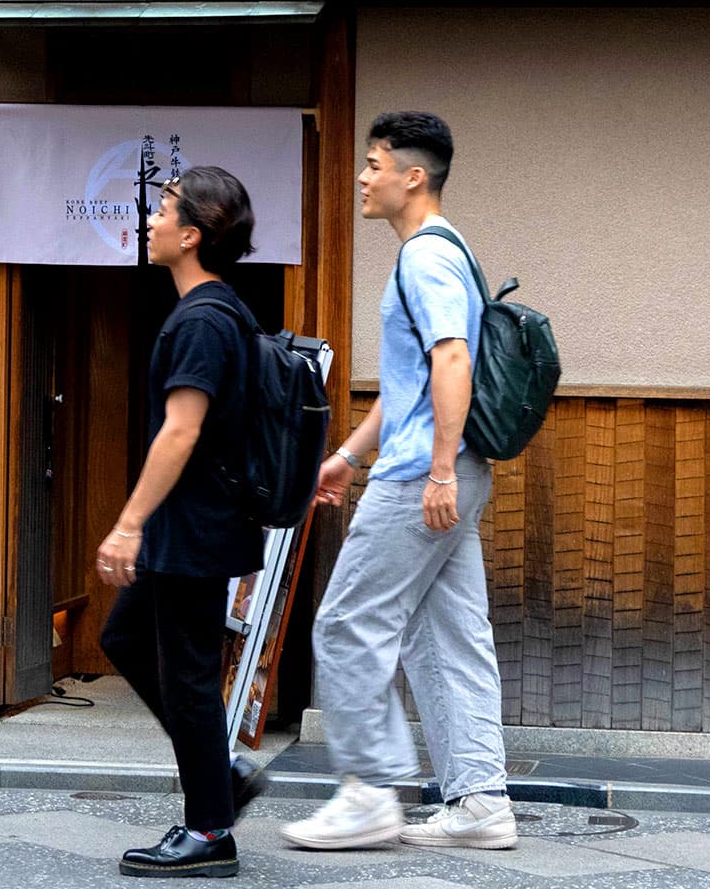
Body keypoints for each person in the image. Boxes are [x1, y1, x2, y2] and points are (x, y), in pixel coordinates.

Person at [281, 111, 517, 852]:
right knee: (449, 638)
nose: (363, 175)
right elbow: (407, 384)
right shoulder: (446, 252)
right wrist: (347, 458)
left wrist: (438, 471)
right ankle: (480, 802)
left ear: (413, 176)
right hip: (443, 469)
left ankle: (369, 793)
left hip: (425, 476)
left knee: (348, 623)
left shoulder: (424, 258)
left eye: (375, 163)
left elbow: (452, 363)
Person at [97, 165, 268, 879]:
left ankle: (208, 831)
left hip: (191, 528)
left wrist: (129, 522)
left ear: (192, 234)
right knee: (126, 635)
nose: (152, 220)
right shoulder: (221, 308)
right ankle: (220, 777)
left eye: (163, 209)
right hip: (195, 524)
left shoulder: (201, 319)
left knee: (190, 676)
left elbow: (181, 430)